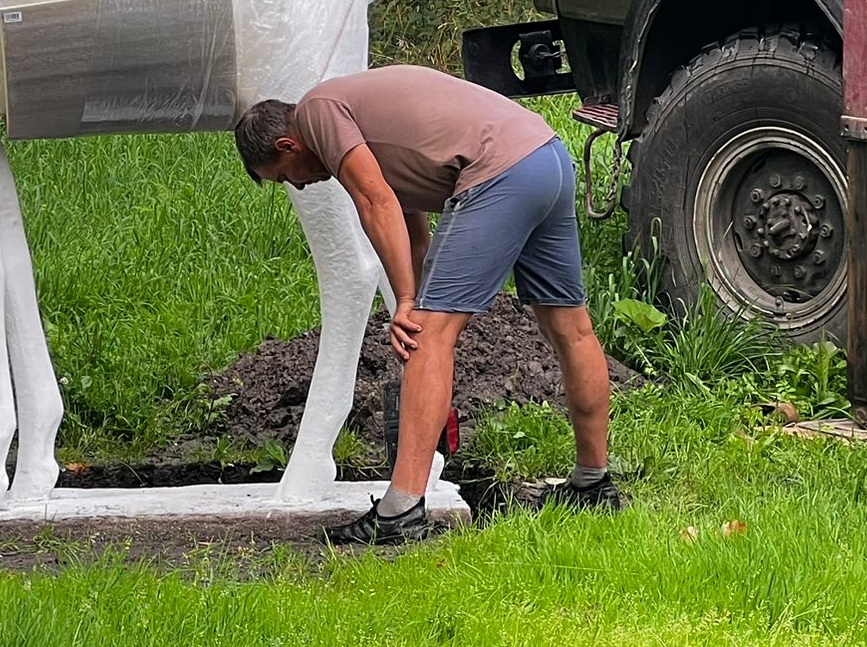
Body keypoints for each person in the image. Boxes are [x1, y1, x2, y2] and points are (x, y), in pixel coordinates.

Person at [234, 65, 619, 546]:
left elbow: (376, 203)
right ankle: (593, 482)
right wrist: (407, 298)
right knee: (571, 329)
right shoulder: (366, 122)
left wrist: (412, 307)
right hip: (546, 158)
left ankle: (401, 511)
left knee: (430, 338)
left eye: (283, 177)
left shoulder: (317, 112)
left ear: (287, 147)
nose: (297, 186)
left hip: (498, 170)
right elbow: (409, 224)